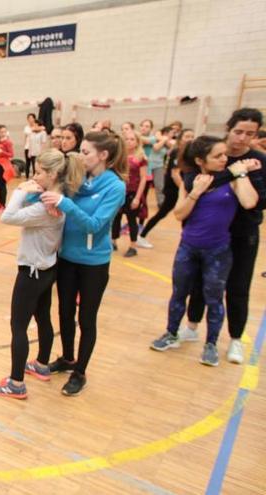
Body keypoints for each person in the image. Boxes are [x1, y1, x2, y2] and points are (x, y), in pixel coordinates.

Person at [149, 136, 258, 367]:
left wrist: (241, 173)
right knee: (179, 293)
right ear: (200, 160)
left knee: (214, 298)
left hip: (218, 251)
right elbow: (179, 214)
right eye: (217, 156)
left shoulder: (232, 179)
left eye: (224, 154)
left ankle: (211, 344)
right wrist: (196, 192)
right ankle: (171, 333)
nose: (224, 159)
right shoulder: (191, 180)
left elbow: (249, 202)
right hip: (188, 247)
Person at [0, 149, 85, 399]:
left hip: (31, 271)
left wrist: (21, 190)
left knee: (18, 326)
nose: (35, 175)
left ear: (52, 174)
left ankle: (16, 382)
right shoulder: (57, 198)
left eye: (40, 172)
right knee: (43, 317)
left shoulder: (45, 210)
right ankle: (42, 364)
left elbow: (7, 217)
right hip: (47, 268)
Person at [40, 131, 127, 396]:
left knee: (86, 319)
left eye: (86, 152)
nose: (81, 155)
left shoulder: (115, 187)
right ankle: (67, 358)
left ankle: (80, 372)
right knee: (65, 313)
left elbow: (95, 225)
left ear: (104, 155)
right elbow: (55, 196)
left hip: (94, 264)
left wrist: (66, 203)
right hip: (67, 259)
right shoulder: (78, 178)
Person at [185, 108, 266, 364]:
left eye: (249, 134)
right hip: (208, 232)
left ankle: (235, 339)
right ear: (228, 129)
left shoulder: (258, 161)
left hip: (242, 234)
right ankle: (192, 326)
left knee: (237, 287)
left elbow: (257, 201)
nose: (242, 138)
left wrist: (242, 174)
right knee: (199, 283)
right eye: (238, 131)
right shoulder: (217, 155)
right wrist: (234, 172)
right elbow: (198, 182)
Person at [138, 129, 195, 248]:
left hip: (182, 189)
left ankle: (188, 241)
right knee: (162, 213)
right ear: (180, 139)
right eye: (187, 136)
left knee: (188, 215)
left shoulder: (190, 153)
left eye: (191, 136)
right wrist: (185, 192)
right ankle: (141, 236)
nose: (189, 139)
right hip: (173, 190)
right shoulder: (177, 152)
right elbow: (175, 174)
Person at [110, 130, 148, 258]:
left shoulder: (141, 158)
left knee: (132, 220)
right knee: (116, 218)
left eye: (132, 139)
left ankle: (133, 246)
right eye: (127, 139)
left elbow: (143, 178)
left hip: (132, 193)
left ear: (137, 142)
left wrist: (137, 198)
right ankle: (113, 241)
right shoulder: (120, 156)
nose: (129, 142)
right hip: (120, 192)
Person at [0, 124, 14, 211]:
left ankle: (3, 204)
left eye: (4, 131)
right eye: (1, 132)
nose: (3, 133)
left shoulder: (8, 142)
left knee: (2, 185)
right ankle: (0, 202)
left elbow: (11, 154)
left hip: (3, 166)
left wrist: (2, 152)